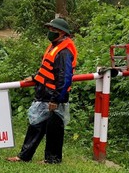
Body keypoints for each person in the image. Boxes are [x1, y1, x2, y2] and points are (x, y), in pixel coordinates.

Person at [7, 17, 77, 164]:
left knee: (54, 130)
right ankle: (24, 156)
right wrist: (34, 78)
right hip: (44, 94)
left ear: (63, 33)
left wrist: (56, 100)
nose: (50, 32)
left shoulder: (64, 51)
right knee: (35, 126)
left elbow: (64, 78)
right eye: (50, 29)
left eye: (54, 30)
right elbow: (48, 71)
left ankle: (52, 159)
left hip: (53, 97)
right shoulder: (54, 46)